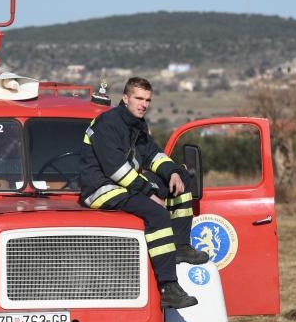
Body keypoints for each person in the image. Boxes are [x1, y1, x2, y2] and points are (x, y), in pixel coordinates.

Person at [79, 77, 209, 309]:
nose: (144, 104)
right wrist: (149, 192)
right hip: (100, 188)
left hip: (123, 185)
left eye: (147, 100)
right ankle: (169, 287)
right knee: (157, 215)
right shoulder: (108, 123)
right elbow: (116, 169)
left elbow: (152, 154)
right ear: (125, 98)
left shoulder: (136, 125)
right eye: (139, 98)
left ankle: (180, 247)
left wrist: (172, 172)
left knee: (182, 181)